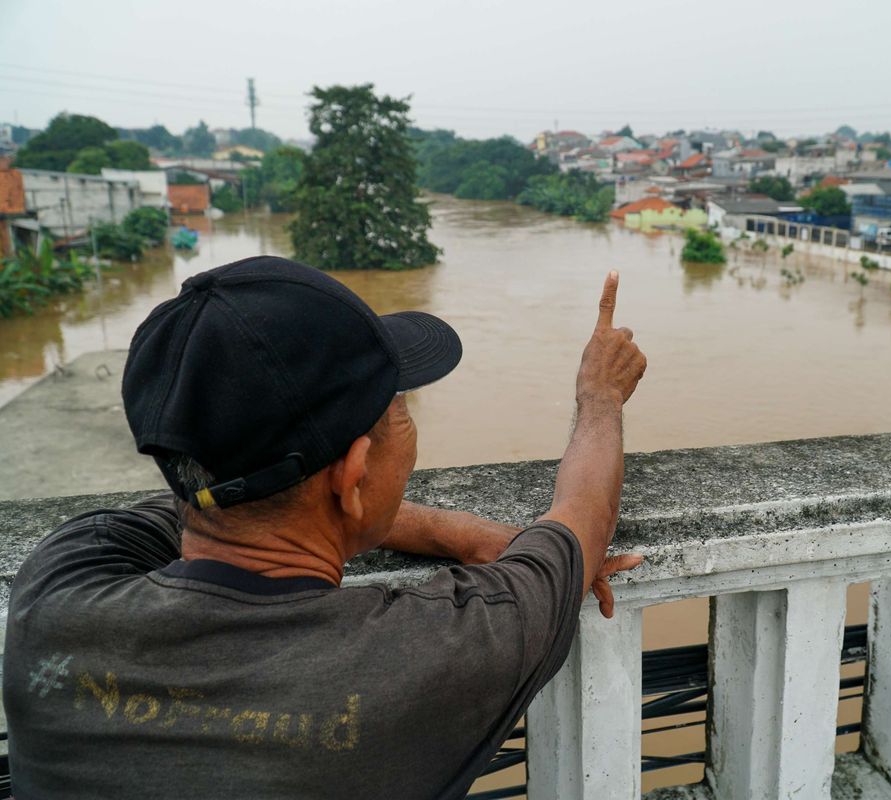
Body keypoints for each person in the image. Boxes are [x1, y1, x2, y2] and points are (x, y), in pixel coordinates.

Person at [2, 255, 647, 799]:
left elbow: (213, 505)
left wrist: (452, 533)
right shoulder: (422, 659)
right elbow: (581, 520)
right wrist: (600, 395)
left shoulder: (56, 594)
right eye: (397, 413)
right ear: (353, 474)